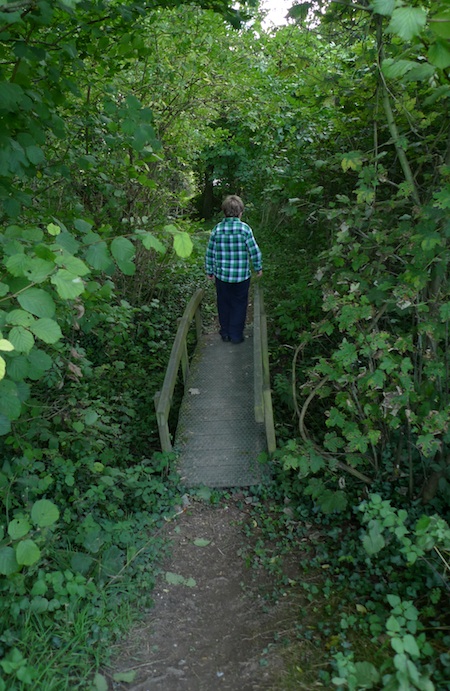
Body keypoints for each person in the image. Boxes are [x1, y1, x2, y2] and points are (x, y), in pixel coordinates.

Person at [205, 195, 262, 344]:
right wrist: (258, 267)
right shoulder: (245, 229)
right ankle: (236, 335)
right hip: (241, 276)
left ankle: (225, 333)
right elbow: (254, 251)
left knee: (223, 303)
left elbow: (210, 252)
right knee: (239, 304)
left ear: (224, 212)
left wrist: (209, 271)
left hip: (222, 276)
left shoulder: (217, 229)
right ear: (240, 212)